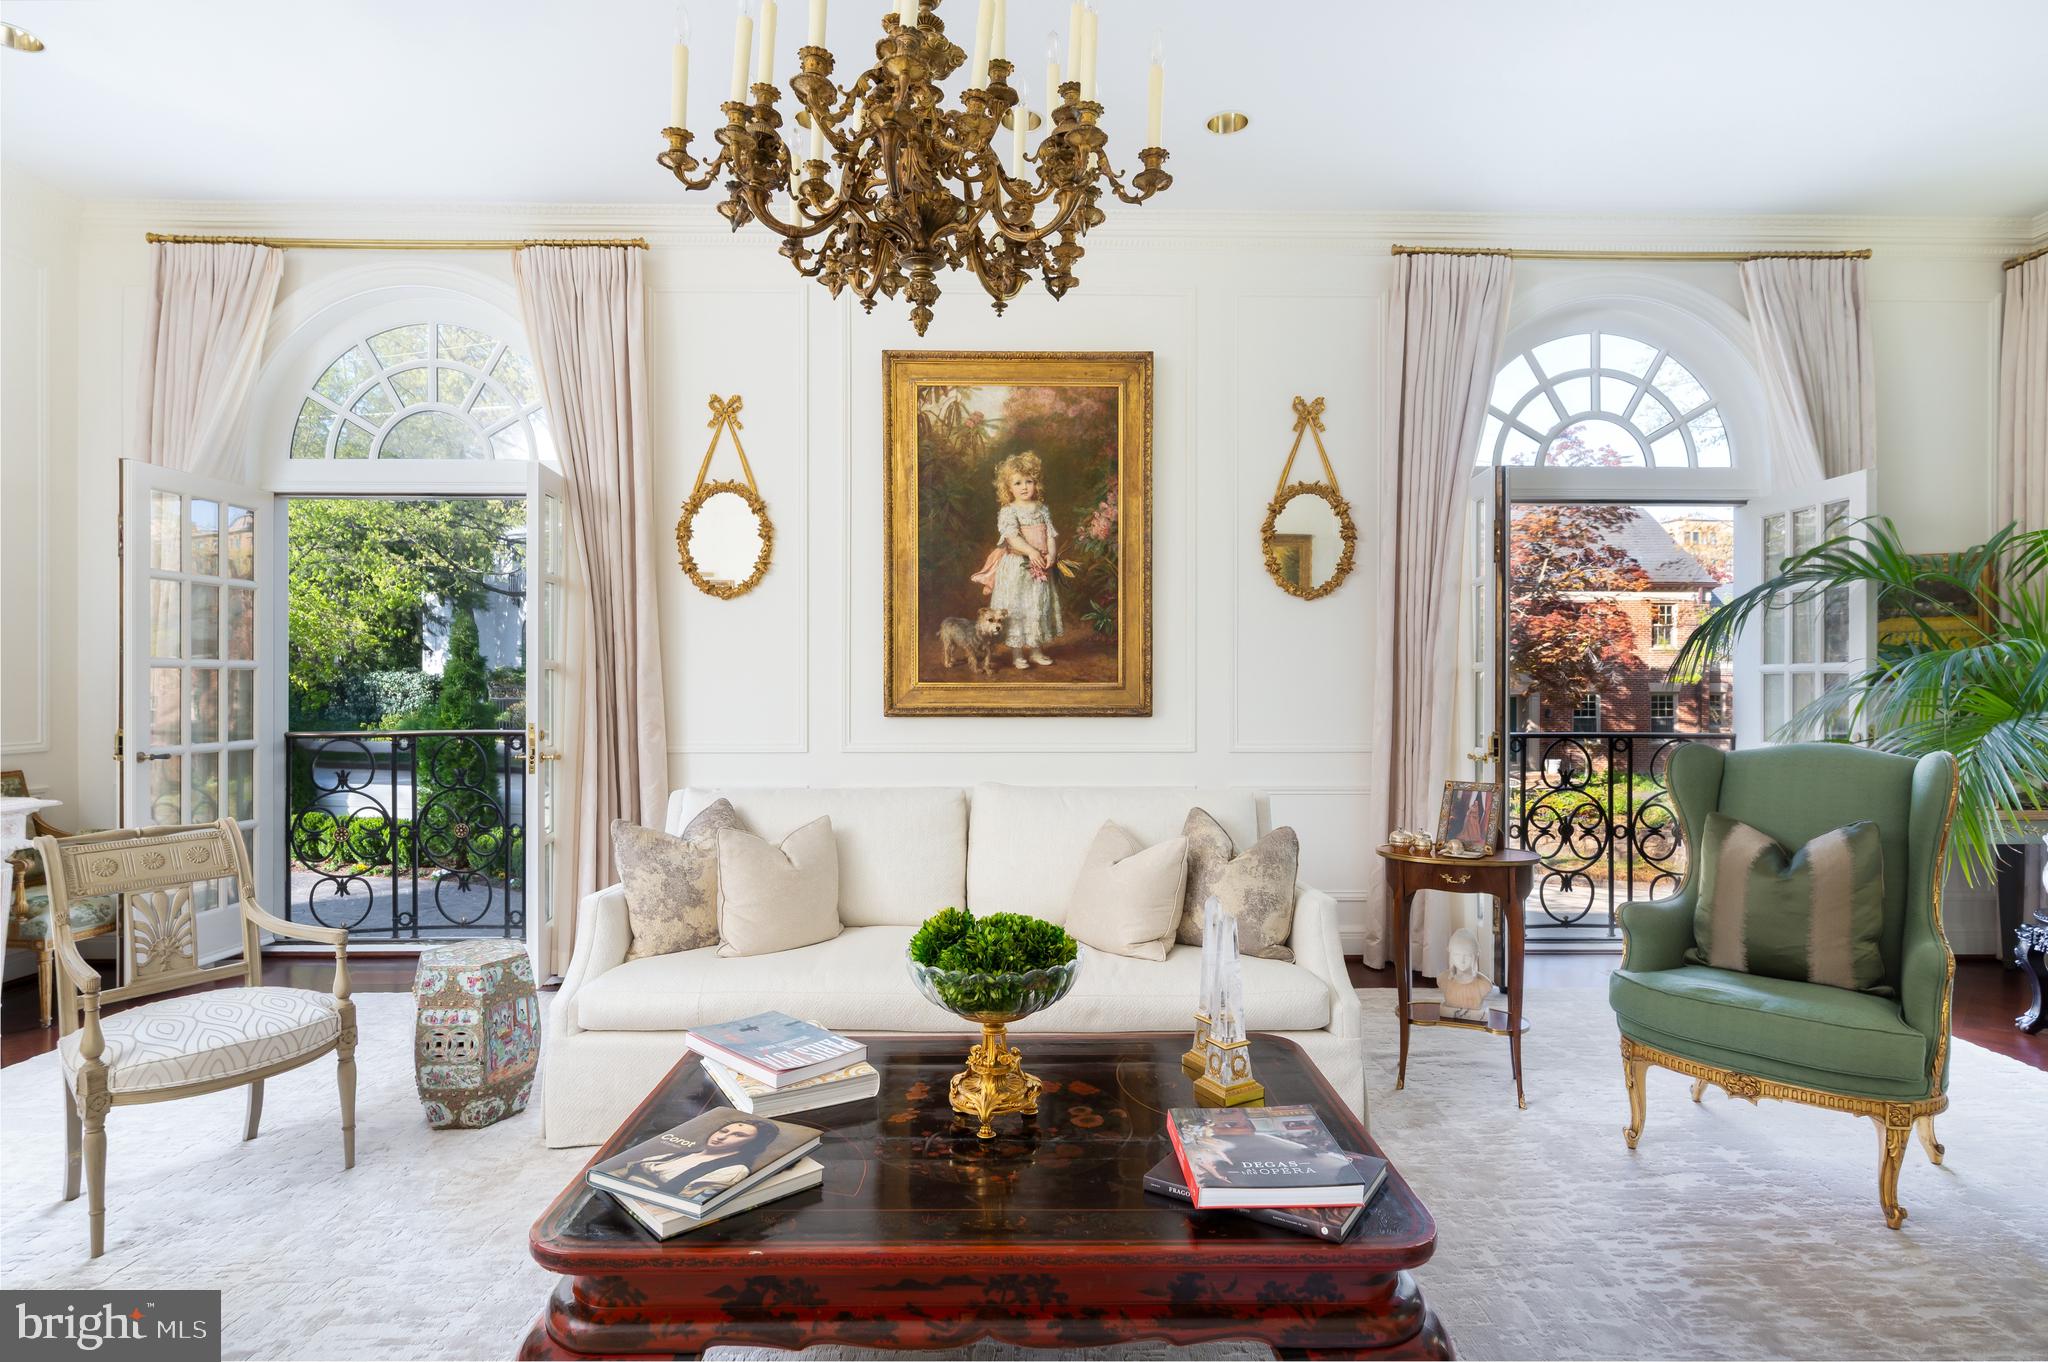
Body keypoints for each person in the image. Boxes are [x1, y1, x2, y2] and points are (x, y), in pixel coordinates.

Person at [970, 451, 1064, 669]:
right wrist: (1031, 552)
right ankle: (1017, 654)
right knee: (1017, 609)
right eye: (1018, 483)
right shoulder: (1008, 511)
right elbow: (1012, 537)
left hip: (1039, 569)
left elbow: (1050, 535)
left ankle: (1036, 651)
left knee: (1036, 606)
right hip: (1016, 568)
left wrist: (1051, 554)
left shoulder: (1042, 509)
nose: (1024, 487)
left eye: (1029, 481)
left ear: (1036, 483)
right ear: (1008, 488)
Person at [613, 1117, 780, 1199]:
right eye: (723, 1131)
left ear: (752, 1144)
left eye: (738, 1135)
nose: (722, 1137)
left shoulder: (735, 1169)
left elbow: (687, 1200)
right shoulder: (681, 1154)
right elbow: (626, 1170)